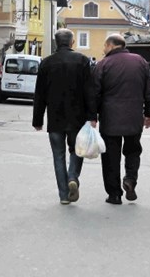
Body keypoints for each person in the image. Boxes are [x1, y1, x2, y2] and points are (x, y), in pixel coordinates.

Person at [92, 34, 150, 205]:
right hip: (134, 118)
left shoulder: (103, 64)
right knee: (133, 151)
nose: (103, 49)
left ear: (110, 45)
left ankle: (114, 194)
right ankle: (130, 179)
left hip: (109, 120)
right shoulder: (140, 61)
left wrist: (92, 116)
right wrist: (149, 114)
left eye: (104, 46)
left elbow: (94, 94)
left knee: (110, 158)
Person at [33, 28, 96, 205]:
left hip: (55, 118)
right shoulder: (82, 61)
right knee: (78, 150)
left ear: (56, 42)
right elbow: (89, 91)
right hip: (78, 118)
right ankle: (73, 177)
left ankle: (64, 195)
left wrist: (38, 120)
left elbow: (40, 95)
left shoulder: (46, 63)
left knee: (58, 155)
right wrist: (93, 116)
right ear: (72, 42)